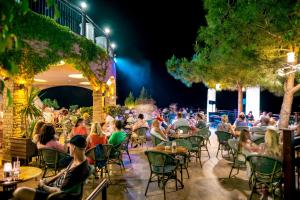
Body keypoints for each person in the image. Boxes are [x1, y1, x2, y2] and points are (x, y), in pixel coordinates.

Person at [13, 135, 90, 200]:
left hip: (53, 196)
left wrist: (43, 185)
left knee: (19, 192)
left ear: (74, 148)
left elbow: (59, 191)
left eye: (70, 147)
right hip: (51, 186)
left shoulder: (77, 170)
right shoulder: (80, 161)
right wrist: (47, 180)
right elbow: (62, 172)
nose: (69, 149)